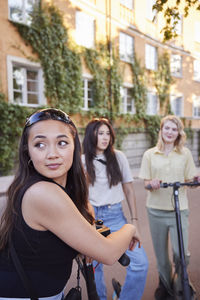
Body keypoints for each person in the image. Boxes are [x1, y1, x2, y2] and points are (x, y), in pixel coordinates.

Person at [0, 108, 138, 300]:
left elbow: (84, 219)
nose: (52, 154)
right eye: (40, 144)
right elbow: (108, 253)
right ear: (28, 152)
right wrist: (131, 227)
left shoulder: (60, 188)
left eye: (62, 143)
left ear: (75, 147)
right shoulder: (42, 193)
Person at [82, 118, 148, 300]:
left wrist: (134, 222)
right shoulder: (81, 160)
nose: (105, 137)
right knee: (95, 266)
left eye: (107, 133)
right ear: (91, 135)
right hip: (95, 219)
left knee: (140, 263)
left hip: (116, 216)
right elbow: (79, 195)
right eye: (100, 133)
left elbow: (128, 188)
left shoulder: (119, 157)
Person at [139, 115, 198, 300]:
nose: (170, 132)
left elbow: (190, 181)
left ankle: (182, 285)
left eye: (174, 129)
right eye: (167, 128)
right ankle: (165, 285)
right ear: (161, 130)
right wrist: (152, 183)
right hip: (155, 210)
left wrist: (195, 181)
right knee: (162, 257)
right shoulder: (150, 154)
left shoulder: (185, 154)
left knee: (180, 254)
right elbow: (145, 183)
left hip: (179, 211)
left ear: (178, 132)